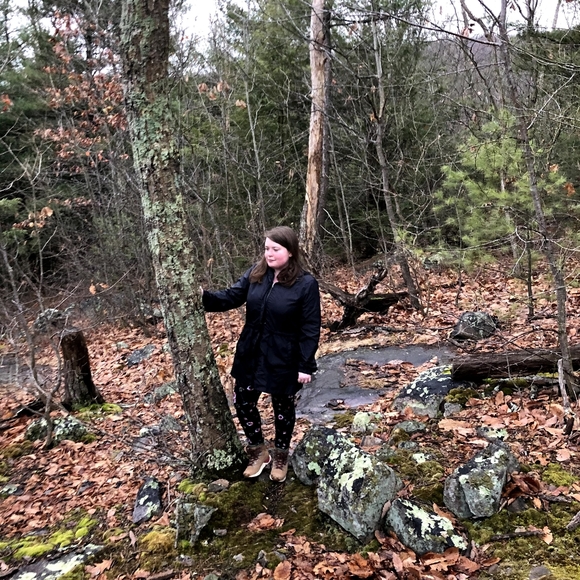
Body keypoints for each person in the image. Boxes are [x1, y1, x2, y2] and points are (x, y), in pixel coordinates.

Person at [202, 226, 321, 482]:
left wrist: (305, 364)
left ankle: (280, 456)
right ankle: (258, 451)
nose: (269, 253)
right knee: (243, 402)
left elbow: (310, 327)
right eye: (267, 248)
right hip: (251, 351)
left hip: (284, 356)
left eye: (275, 249)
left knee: (282, 409)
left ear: (290, 251)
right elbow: (231, 296)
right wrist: (204, 298)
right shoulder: (256, 274)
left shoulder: (306, 284)